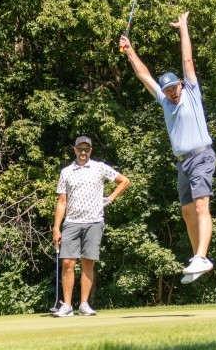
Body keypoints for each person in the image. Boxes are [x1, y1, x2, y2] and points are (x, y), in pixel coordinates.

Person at [119, 11, 216, 284]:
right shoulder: (164, 102)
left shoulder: (192, 93)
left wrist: (183, 27)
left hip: (201, 156)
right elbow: (143, 74)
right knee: (187, 212)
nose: (172, 93)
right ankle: (198, 262)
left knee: (200, 207)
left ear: (181, 86)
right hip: (182, 162)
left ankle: (201, 256)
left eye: (174, 88)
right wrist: (129, 51)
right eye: (168, 90)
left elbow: (187, 59)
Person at [52, 135, 130, 317]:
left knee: (88, 262)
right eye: (80, 149)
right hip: (71, 222)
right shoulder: (66, 172)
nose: (83, 152)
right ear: (75, 150)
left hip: (94, 221)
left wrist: (110, 199)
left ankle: (84, 304)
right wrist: (56, 227)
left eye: (86, 149)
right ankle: (67, 306)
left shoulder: (99, 168)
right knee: (67, 262)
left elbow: (124, 181)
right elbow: (62, 201)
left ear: (91, 151)